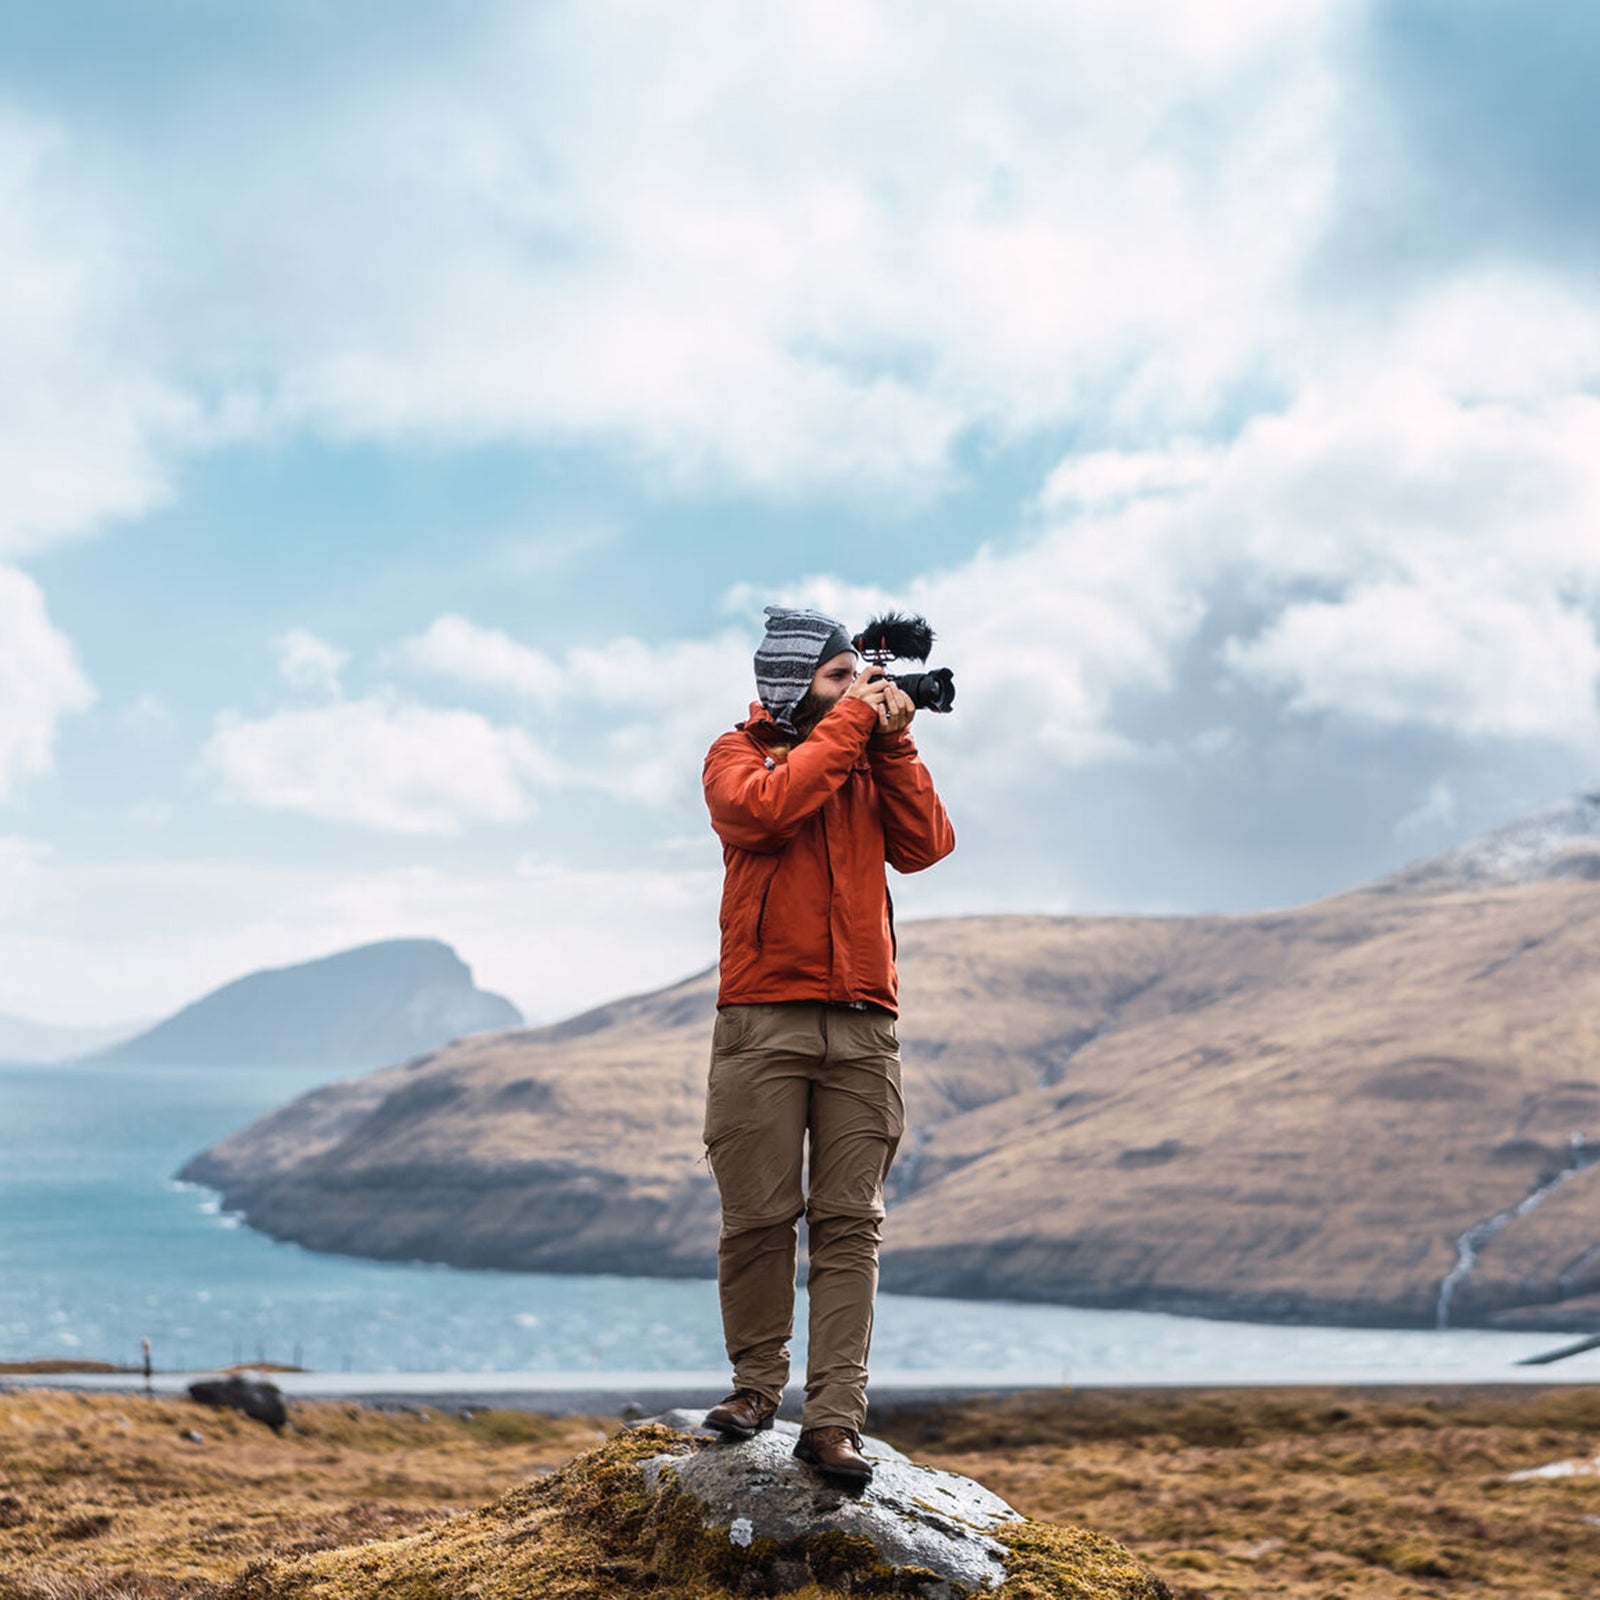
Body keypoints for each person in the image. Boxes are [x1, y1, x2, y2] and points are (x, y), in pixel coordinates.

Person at [698, 603, 955, 1485]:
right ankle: (755, 1390)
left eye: (861, 677)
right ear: (789, 685)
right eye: (838, 677)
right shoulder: (738, 756)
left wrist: (895, 745)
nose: (858, 691)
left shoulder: (864, 757)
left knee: (851, 1227)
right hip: (763, 1018)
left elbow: (926, 847)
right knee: (761, 1217)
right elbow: (765, 814)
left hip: (864, 1024)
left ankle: (834, 1422)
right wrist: (856, 724)